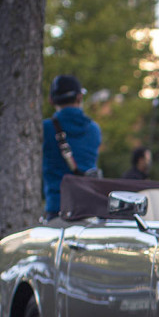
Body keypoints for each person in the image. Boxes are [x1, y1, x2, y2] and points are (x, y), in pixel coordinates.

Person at [42, 74, 101, 219]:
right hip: (88, 208)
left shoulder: (45, 129)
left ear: (51, 100)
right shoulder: (94, 129)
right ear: (79, 97)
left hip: (57, 208)